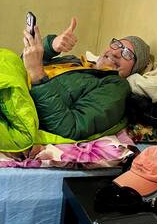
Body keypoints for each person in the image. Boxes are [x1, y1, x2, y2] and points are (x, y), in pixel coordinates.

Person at [22, 17, 150, 141]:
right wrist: (51, 46)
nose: (116, 53)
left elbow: (71, 128)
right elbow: (24, 63)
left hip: (21, 107)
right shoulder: (76, 61)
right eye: (117, 44)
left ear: (134, 69)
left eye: (127, 54)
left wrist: (37, 76)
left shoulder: (116, 86)